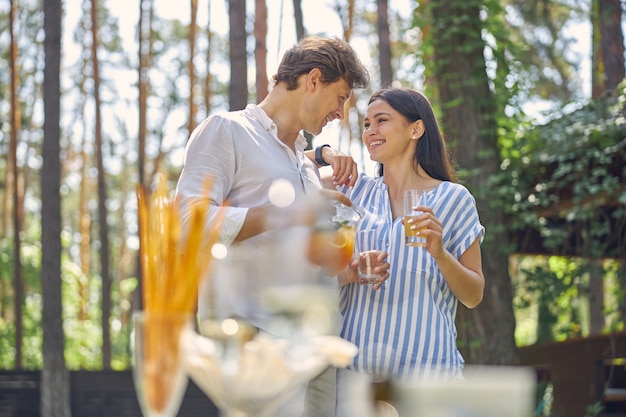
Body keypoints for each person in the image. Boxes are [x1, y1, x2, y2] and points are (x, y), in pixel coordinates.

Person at [174, 36, 371, 417]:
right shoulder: (227, 130)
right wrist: (287, 214)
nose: (340, 113)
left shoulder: (304, 163)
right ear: (313, 79)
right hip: (256, 348)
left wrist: (338, 258)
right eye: (341, 97)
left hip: (315, 348)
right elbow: (187, 223)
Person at [337, 87, 485, 384]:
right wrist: (326, 152)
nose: (370, 131)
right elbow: (290, 166)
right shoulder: (353, 191)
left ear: (416, 128)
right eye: (366, 124)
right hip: (356, 381)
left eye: (381, 121)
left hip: (429, 381)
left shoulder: (454, 199)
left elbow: (474, 295)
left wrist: (441, 254)